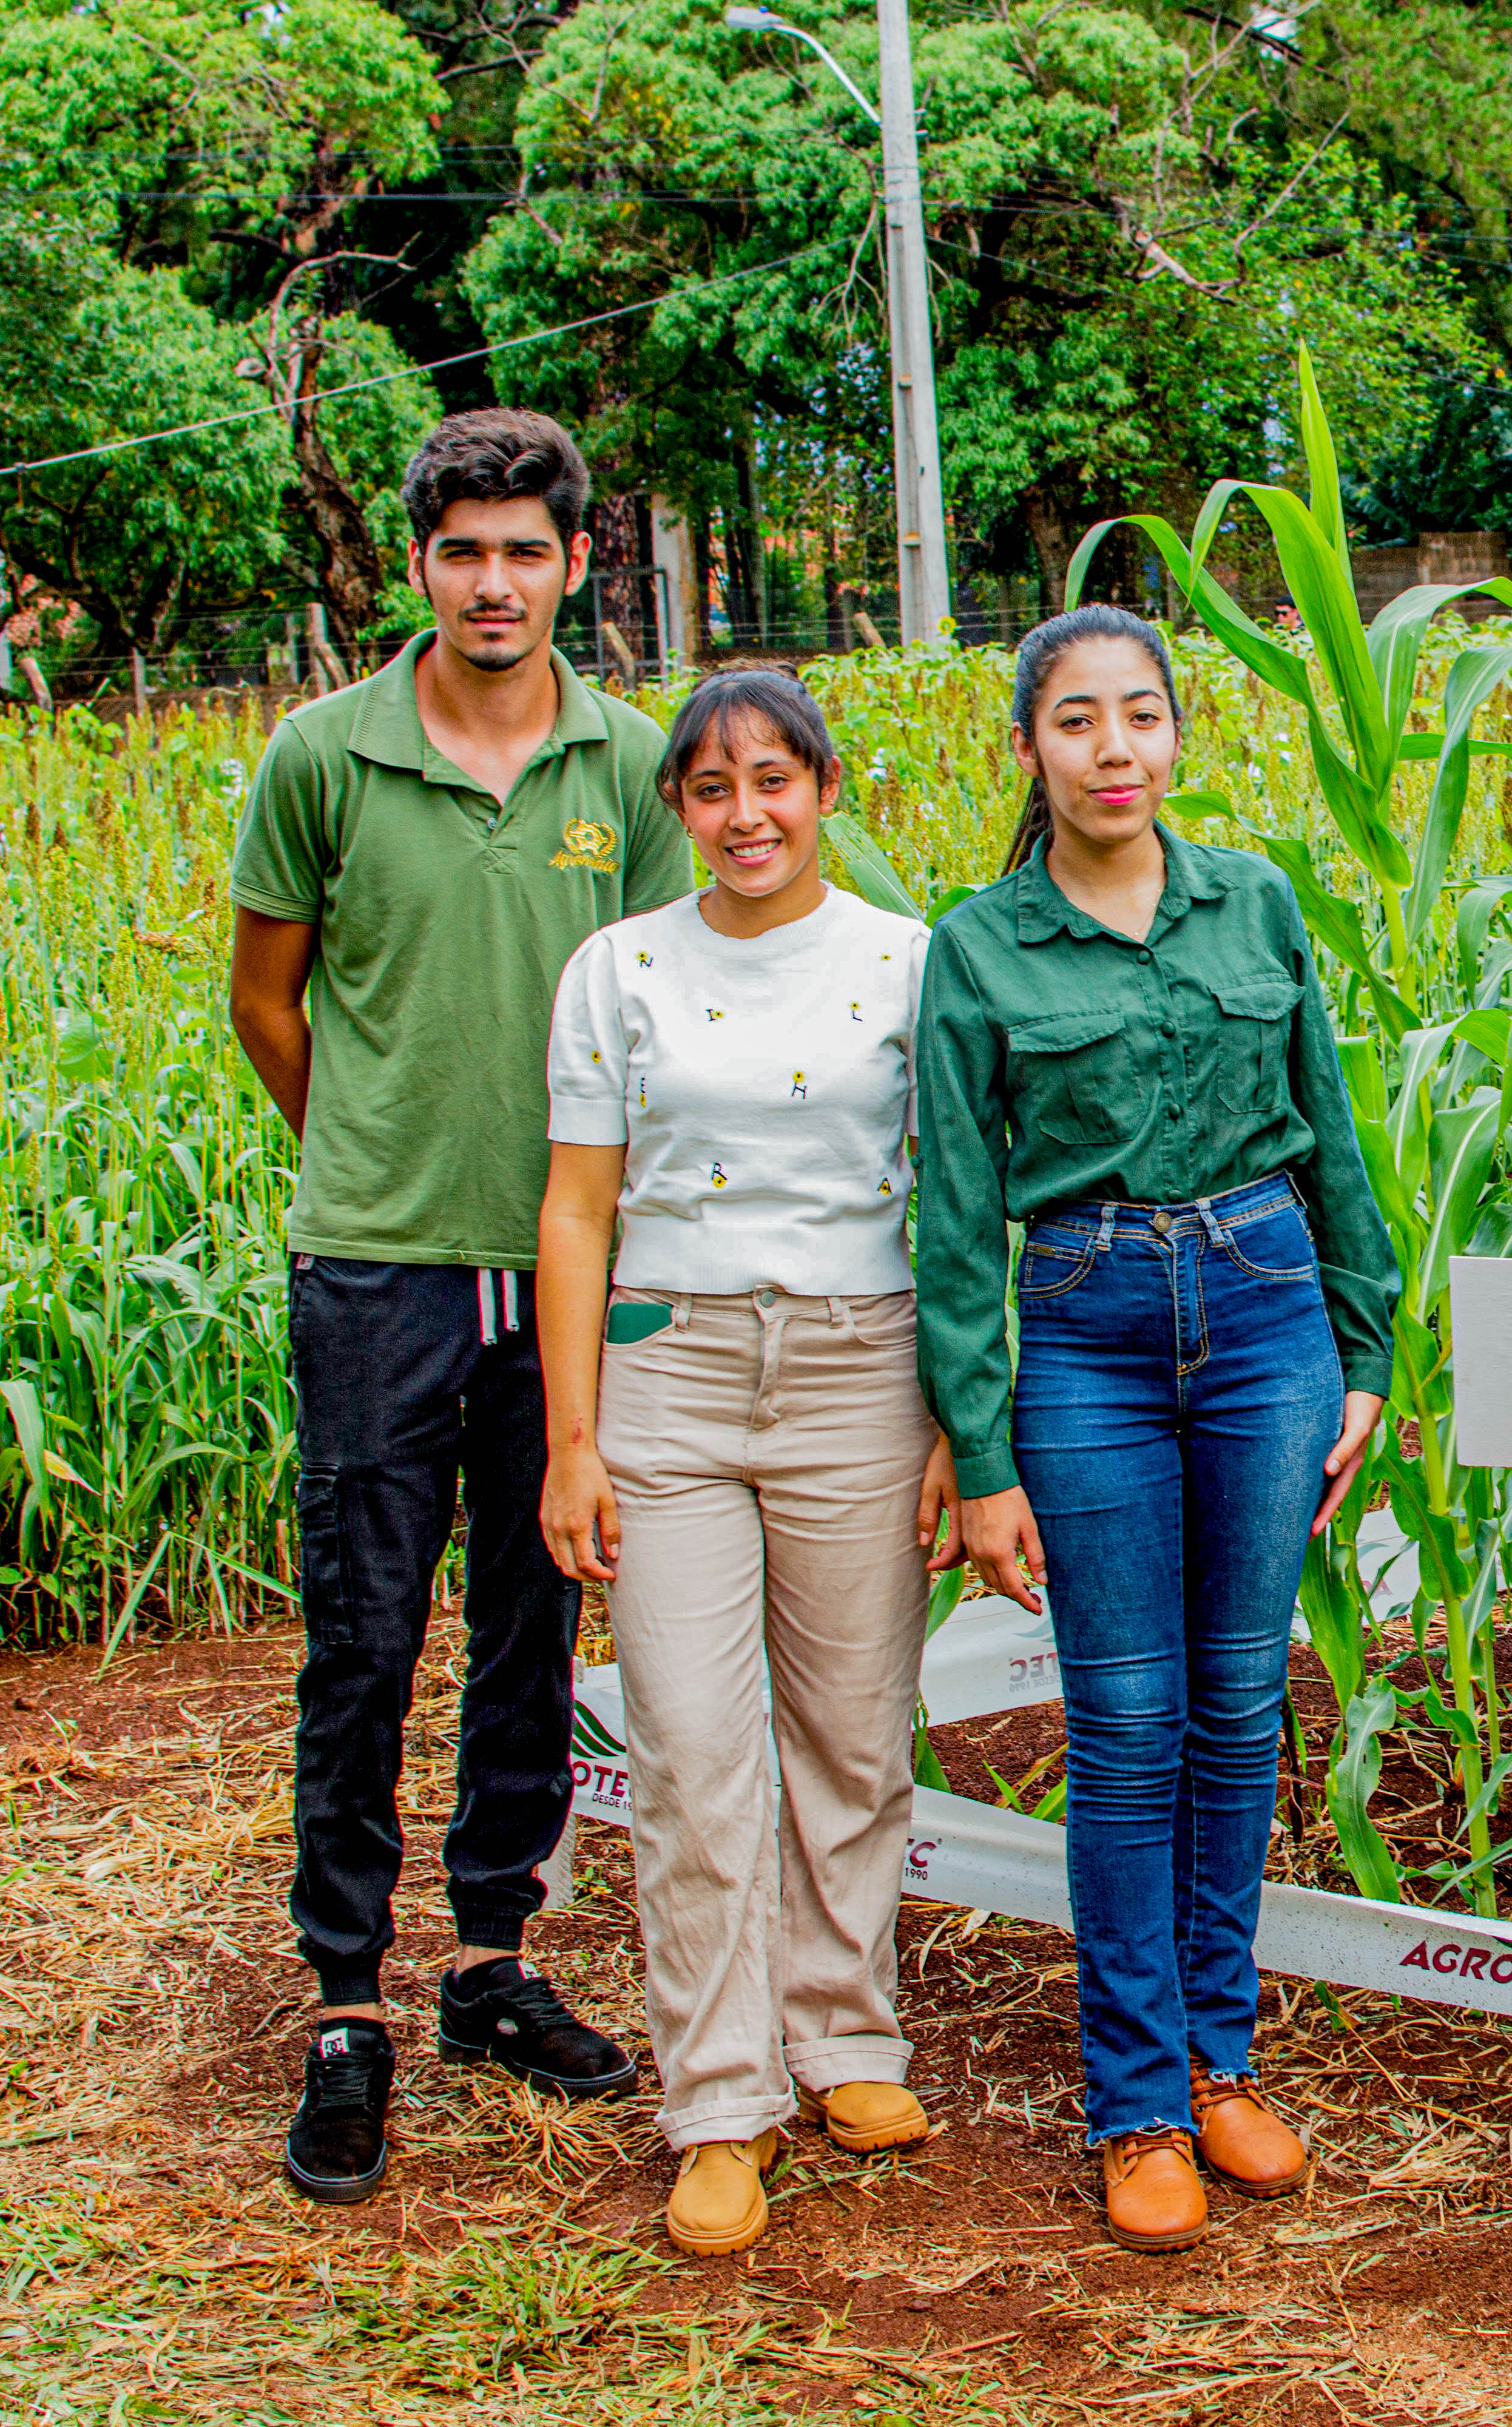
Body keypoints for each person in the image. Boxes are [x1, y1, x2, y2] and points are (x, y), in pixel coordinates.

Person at [231, 408, 685, 2206]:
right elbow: (270, 1004)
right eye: (460, 552)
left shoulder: (633, 768)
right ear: (413, 567)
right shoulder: (322, 759)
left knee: (533, 1631)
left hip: (570, 1277)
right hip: (376, 1272)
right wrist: (375, 1162)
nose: (494, 584)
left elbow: (666, 1013)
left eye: (526, 551)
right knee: (361, 1634)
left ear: (577, 566)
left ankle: (491, 1957)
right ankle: (345, 1995)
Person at [916, 605, 1399, 2253]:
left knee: (1242, 1704)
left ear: (1178, 733)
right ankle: (1133, 2100)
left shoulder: (1250, 899)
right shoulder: (979, 945)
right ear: (1029, 748)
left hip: (1265, 1311)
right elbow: (956, 1218)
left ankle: (1219, 2062)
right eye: (1077, 722)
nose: (1115, 750)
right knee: (1124, 1726)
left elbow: (1330, 1126)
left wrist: (1368, 1345)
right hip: (1087, 1338)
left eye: (1142, 716)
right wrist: (980, 1457)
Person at [535, 668, 955, 2257]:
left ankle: (844, 2035)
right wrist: (572, 1437)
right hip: (671, 1378)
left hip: (861, 1363)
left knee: (852, 1731)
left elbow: (959, 1204)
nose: (746, 815)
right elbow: (577, 1208)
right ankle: (720, 2099)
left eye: (774, 780)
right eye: (711, 789)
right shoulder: (617, 970)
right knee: (694, 1748)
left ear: (827, 790)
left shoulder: (912, 966)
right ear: (677, 812)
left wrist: (952, 1424)